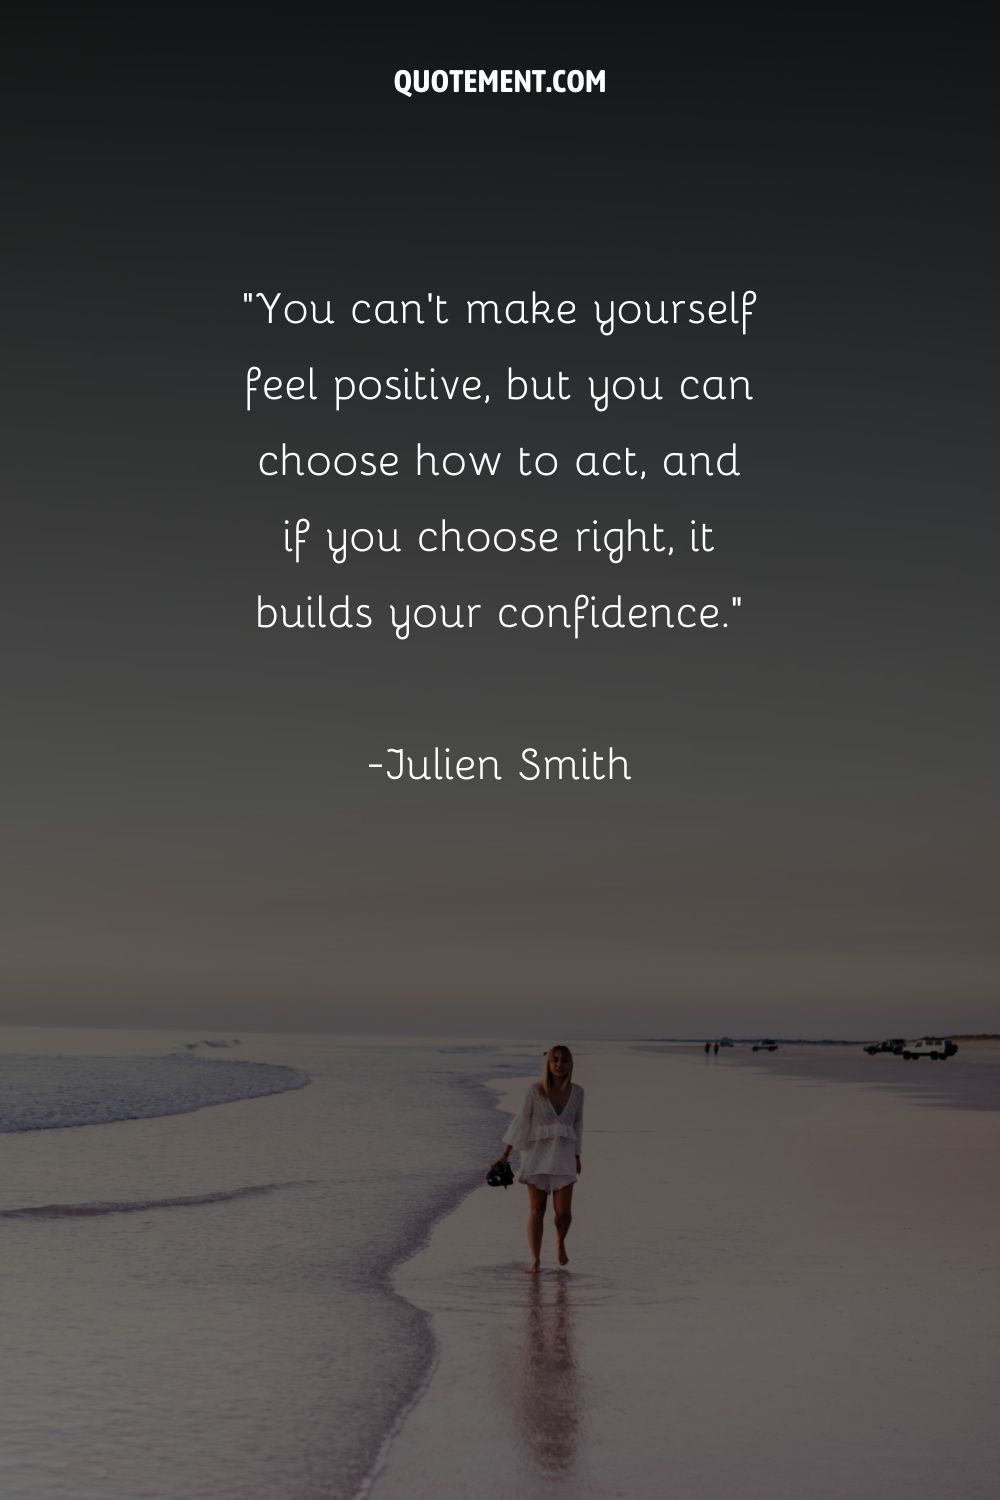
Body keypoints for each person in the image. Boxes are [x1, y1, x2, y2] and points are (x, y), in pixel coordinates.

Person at [492, 1045, 584, 1274]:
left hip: (563, 1155)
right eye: (554, 1059)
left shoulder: (578, 1092)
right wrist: (505, 1154)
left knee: (564, 1213)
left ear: (570, 1064)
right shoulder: (535, 1090)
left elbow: (578, 1125)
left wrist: (577, 1154)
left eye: (563, 1060)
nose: (558, 1064)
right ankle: (535, 1260)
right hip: (536, 1155)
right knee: (537, 1209)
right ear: (548, 1063)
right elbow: (522, 1121)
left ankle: (560, 1241)